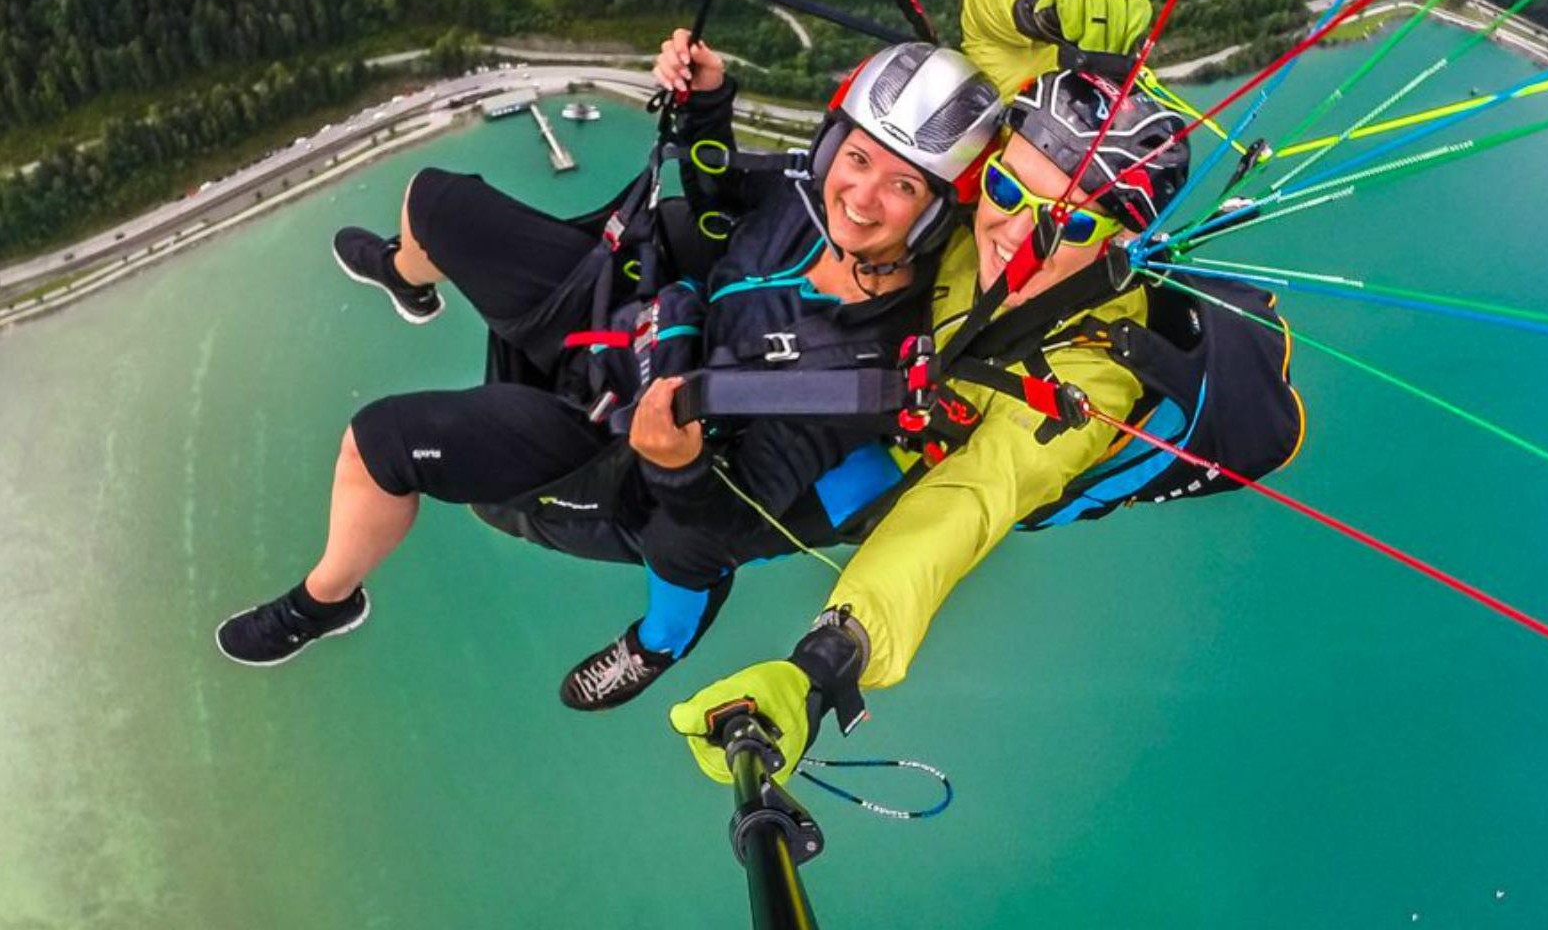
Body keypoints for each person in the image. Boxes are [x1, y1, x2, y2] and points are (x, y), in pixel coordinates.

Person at [215, 37, 1002, 712]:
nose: (860, 198)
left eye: (902, 187)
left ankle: (328, 603)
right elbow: (724, 197)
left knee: (378, 442)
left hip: (618, 452)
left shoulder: (858, 368)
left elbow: (719, 529)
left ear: (936, 213)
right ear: (833, 149)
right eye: (857, 160)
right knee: (433, 201)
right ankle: (404, 273)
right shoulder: (804, 204)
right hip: (629, 325)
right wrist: (706, 104)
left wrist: (678, 463)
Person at [666, 0, 1208, 778]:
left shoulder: (1091, 379)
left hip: (907, 448)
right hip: (877, 340)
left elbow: (966, 509)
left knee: (715, 529)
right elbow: (988, 21)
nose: (1010, 233)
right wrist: (1046, 4)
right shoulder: (1043, 124)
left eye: (1065, 225)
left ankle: (657, 639)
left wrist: (823, 664)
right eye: (1004, 188)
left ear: (1118, 242)